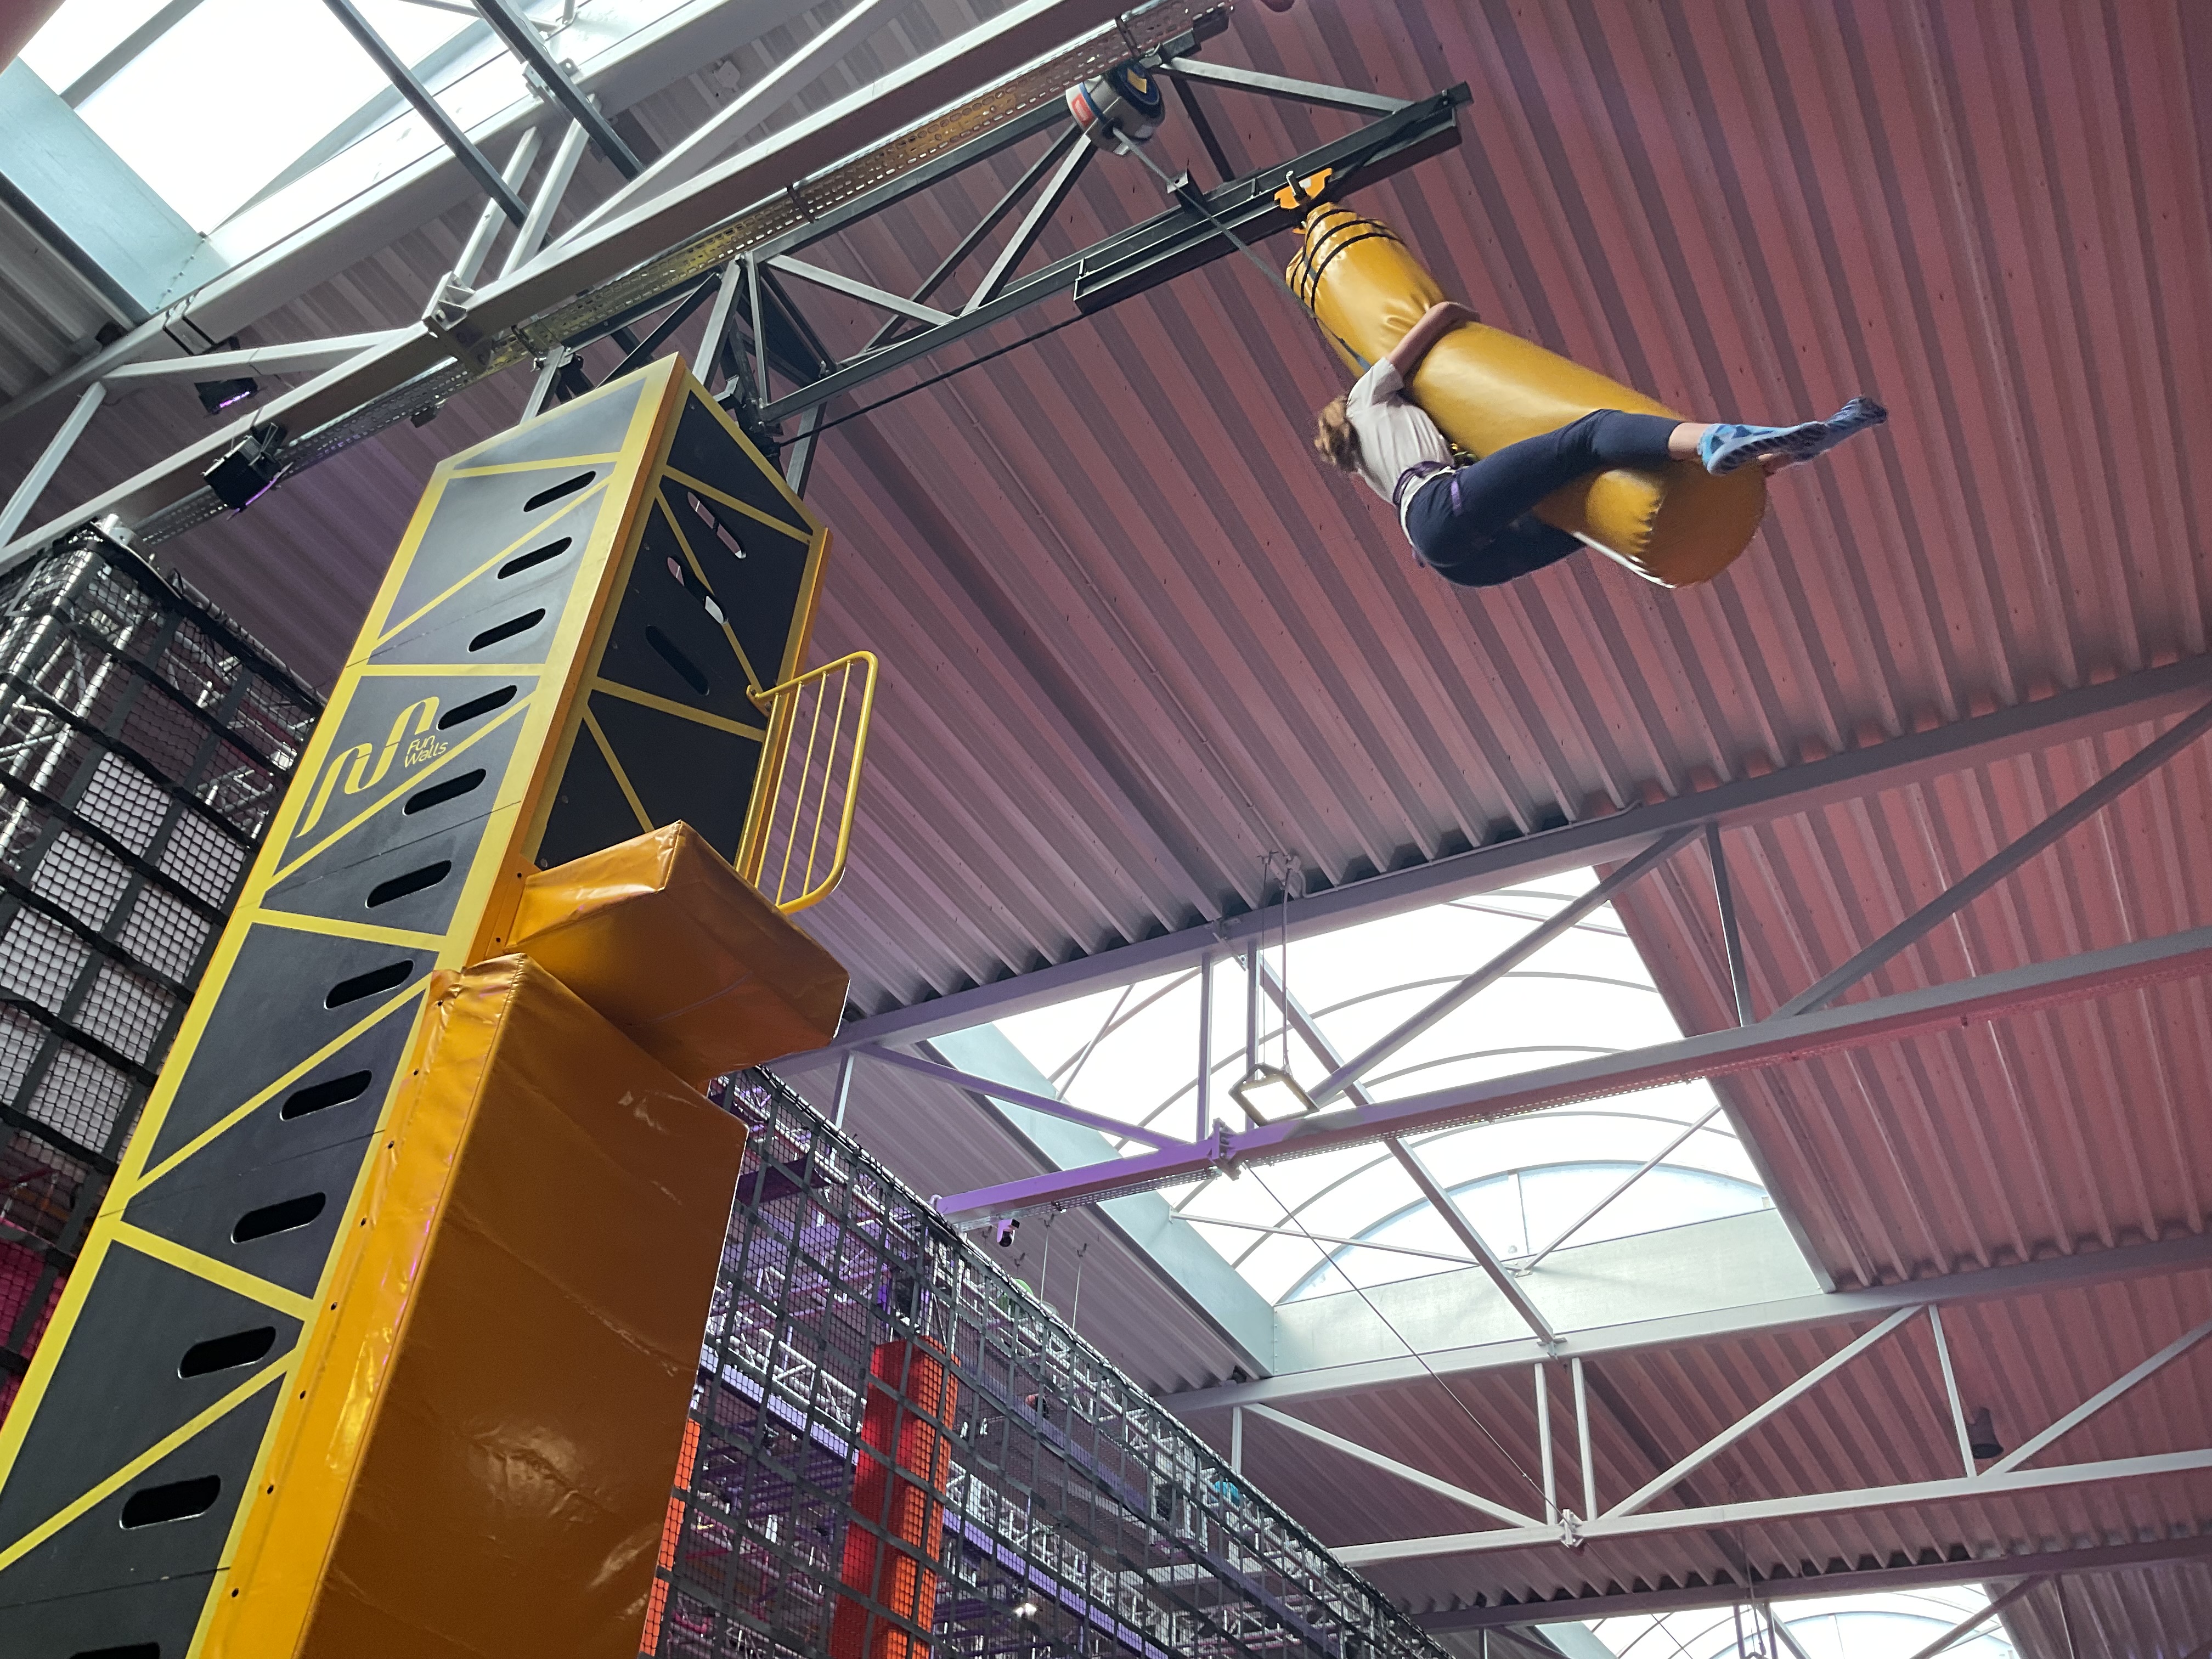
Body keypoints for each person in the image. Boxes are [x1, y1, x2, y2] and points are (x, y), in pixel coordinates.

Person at [1314, 301, 1886, 588]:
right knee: (1589, 435)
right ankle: (1721, 437)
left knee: (1594, 502)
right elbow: (1435, 319)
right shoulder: (1364, 398)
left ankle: (1768, 458)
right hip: (1444, 505)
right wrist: (1465, 331)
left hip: (1458, 559)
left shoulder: (1371, 464)